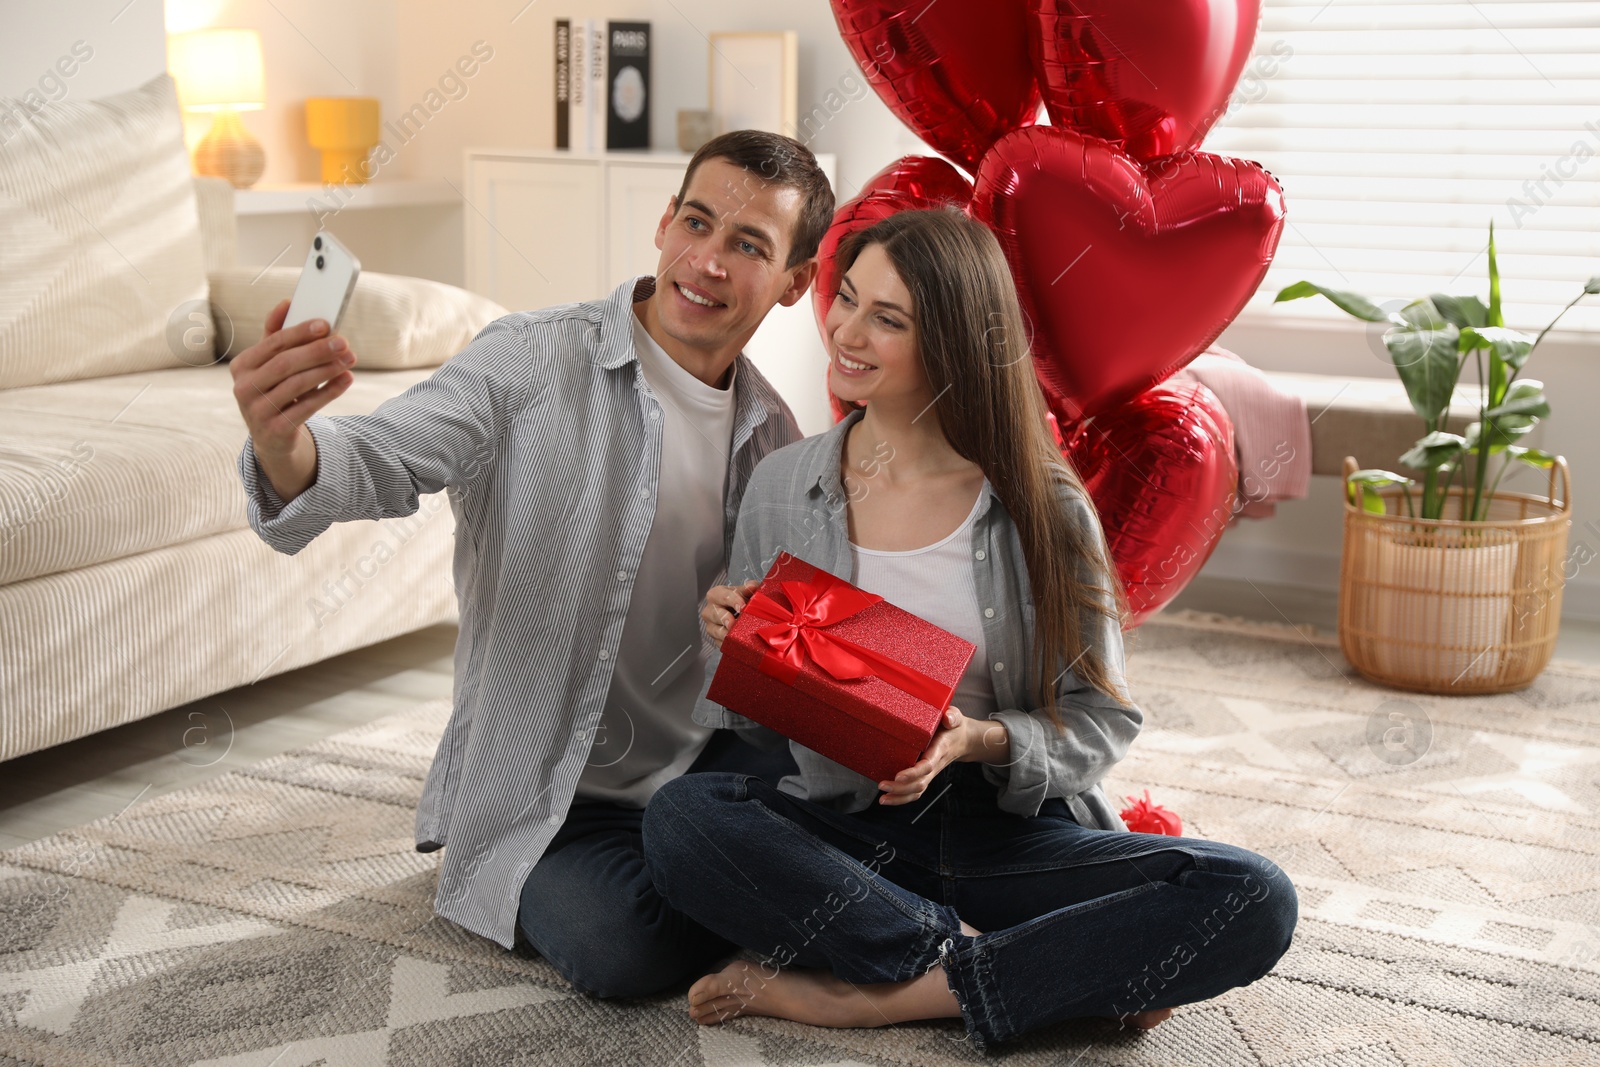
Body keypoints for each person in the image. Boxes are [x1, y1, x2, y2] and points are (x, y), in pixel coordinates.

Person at [640, 207, 1298, 1051]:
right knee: (683, 818)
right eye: (847, 300)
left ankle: (877, 993)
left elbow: (1102, 723)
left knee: (1252, 895)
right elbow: (756, 725)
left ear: (950, 340)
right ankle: (1000, 970)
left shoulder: (1045, 508)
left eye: (888, 318)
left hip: (1015, 833)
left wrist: (976, 739)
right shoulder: (784, 485)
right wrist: (732, 640)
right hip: (851, 830)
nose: (845, 331)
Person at [230, 130, 836, 998]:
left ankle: (742, 870)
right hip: (552, 798)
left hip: (703, 766)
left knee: (873, 806)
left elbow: (785, 646)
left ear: (792, 283)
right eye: (697, 223)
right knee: (623, 949)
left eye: (748, 245)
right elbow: (380, 458)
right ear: (663, 225)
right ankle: (760, 895)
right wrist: (283, 443)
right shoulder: (530, 361)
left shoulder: (776, 434)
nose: (707, 260)